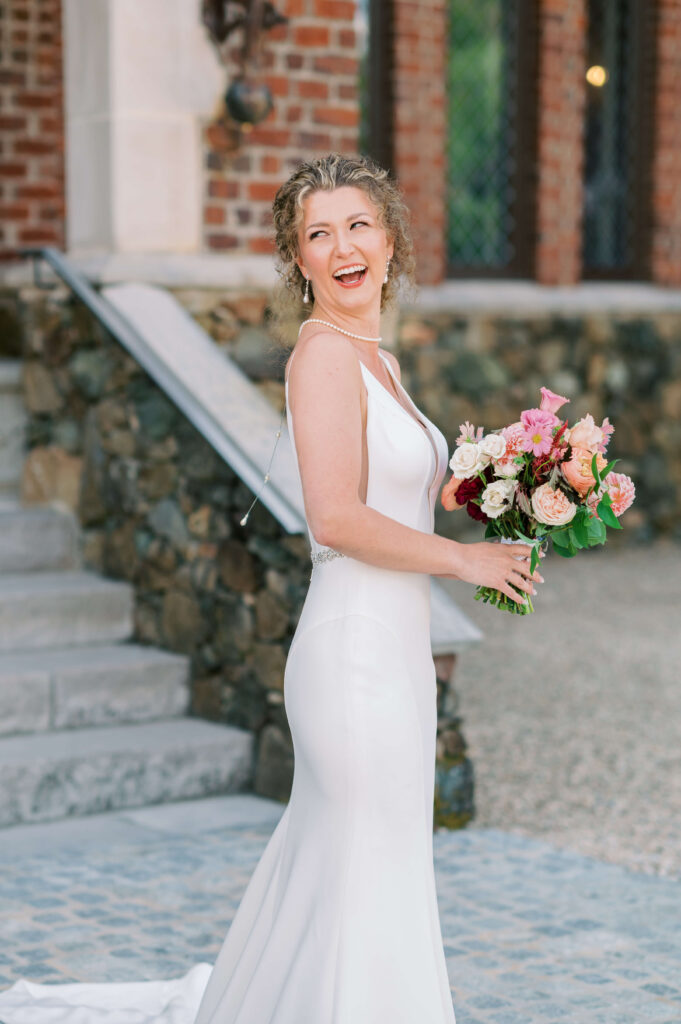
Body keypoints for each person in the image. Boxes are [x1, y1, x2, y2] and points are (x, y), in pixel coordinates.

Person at [0, 153, 542, 1023]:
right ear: (299, 261)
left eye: (357, 225)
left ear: (390, 237)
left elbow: (394, 491)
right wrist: (465, 562)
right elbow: (335, 518)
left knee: (364, 864)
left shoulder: (380, 362)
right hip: (353, 655)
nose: (342, 247)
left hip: (395, 651)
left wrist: (506, 485)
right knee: (363, 867)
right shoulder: (322, 357)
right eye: (318, 235)